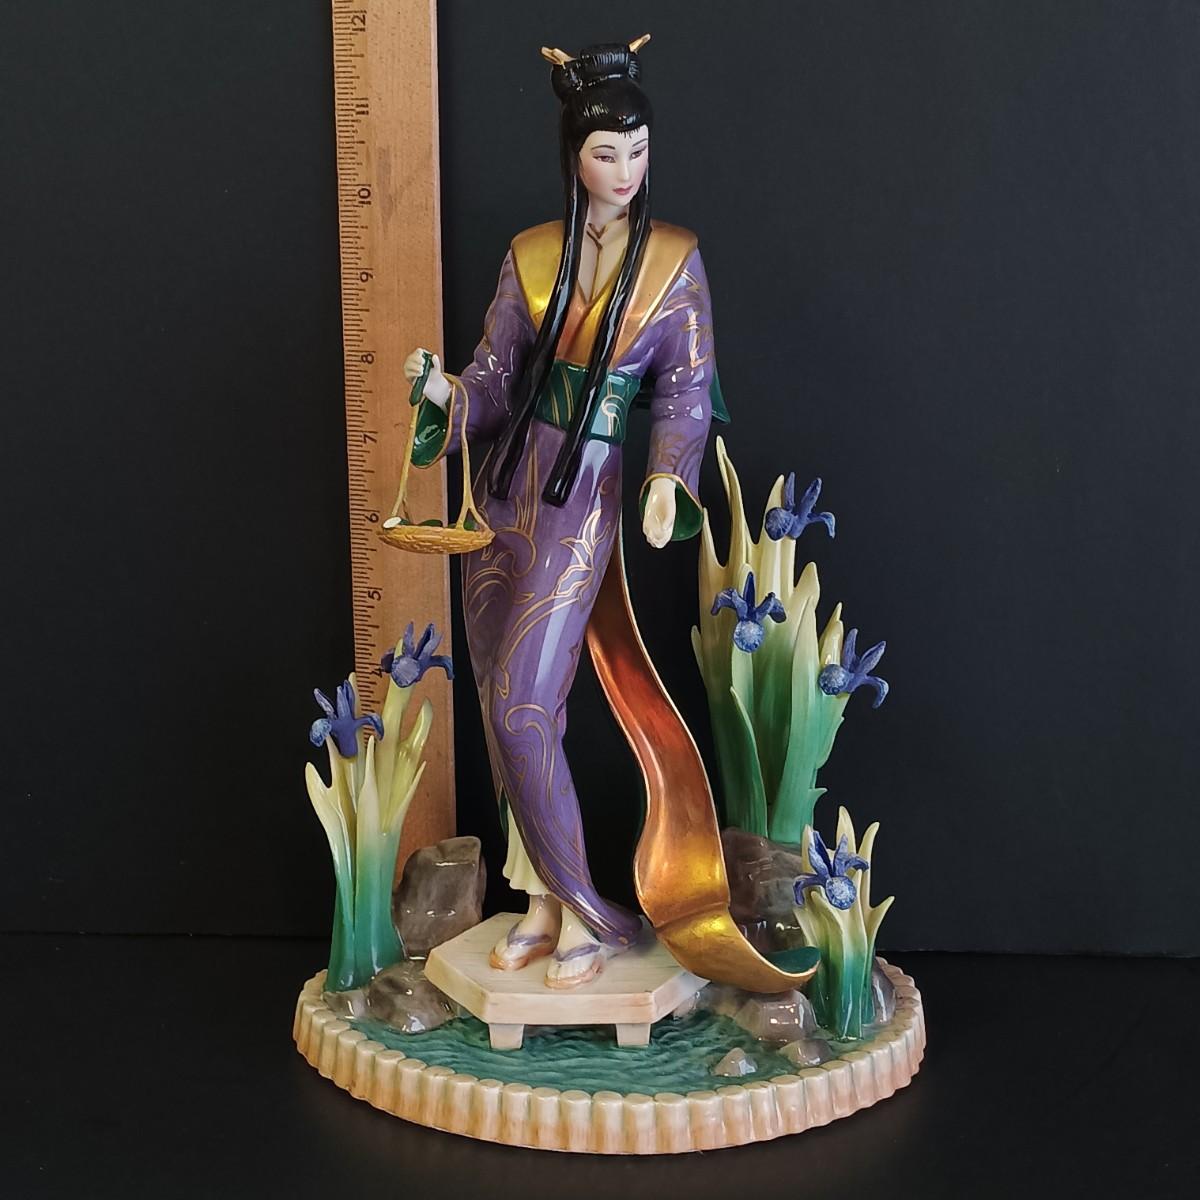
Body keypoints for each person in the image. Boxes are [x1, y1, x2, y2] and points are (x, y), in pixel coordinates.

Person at [404, 36, 725, 988]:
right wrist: (445, 396)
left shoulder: (674, 262)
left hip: (585, 491)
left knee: (523, 704)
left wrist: (667, 479)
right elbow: (496, 377)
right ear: (572, 156)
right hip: (508, 487)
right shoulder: (532, 255)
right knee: (500, 704)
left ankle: (589, 909)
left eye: (638, 151)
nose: (625, 171)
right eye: (605, 153)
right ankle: (541, 898)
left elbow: (686, 392)